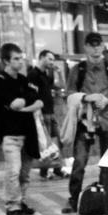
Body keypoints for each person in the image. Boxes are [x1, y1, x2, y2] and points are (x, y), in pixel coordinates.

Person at [62, 31, 108, 214]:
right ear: (86, 47)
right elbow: (69, 94)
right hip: (85, 121)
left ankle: (105, 198)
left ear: (103, 46)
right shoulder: (78, 70)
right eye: (92, 44)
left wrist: (107, 101)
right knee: (80, 160)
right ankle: (74, 199)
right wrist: (86, 97)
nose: (96, 48)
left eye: (99, 44)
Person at [0, 43, 43, 215]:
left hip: (28, 133)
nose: (20, 62)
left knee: (25, 173)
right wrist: (23, 103)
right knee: (13, 171)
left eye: (21, 58)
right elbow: (13, 103)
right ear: (6, 60)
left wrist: (23, 107)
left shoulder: (22, 79)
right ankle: (12, 207)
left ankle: (21, 201)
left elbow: (38, 102)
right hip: (10, 134)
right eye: (16, 59)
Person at [28, 49, 66, 180]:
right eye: (50, 59)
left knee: (57, 141)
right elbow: (31, 95)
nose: (52, 62)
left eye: (53, 60)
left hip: (51, 112)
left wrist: (59, 72)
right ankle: (45, 170)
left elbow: (60, 85)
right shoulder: (33, 74)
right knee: (46, 143)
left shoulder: (45, 74)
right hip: (42, 113)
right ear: (42, 58)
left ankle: (57, 168)